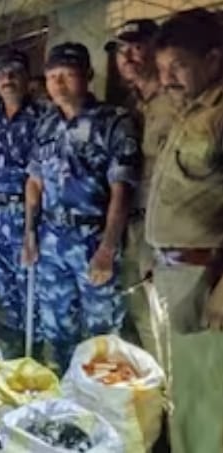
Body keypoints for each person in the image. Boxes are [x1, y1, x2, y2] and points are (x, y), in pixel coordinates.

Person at [22, 43, 140, 369]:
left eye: (67, 75)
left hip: (94, 241)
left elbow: (122, 190)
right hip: (50, 239)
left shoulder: (113, 122)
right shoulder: (46, 124)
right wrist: (30, 234)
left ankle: (97, 399)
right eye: (52, 76)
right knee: (56, 324)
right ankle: (60, 391)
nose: (58, 84)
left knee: (102, 330)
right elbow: (34, 182)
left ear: (87, 76)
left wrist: (107, 248)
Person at [146, 9, 223, 453]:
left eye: (179, 66)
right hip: (172, 275)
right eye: (163, 69)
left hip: (203, 279)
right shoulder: (187, 111)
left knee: (203, 403)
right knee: (177, 391)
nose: (169, 78)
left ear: (213, 60)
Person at [107, 18, 176, 357]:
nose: (128, 56)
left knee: (163, 317)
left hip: (165, 231)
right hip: (132, 227)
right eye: (122, 50)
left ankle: (172, 400)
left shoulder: (177, 104)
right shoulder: (132, 105)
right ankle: (153, 391)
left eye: (136, 46)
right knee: (137, 308)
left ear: (156, 49)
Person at [0, 50, 46, 355]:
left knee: (30, 282)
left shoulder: (42, 117)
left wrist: (31, 229)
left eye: (14, 73)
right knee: (3, 282)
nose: (7, 79)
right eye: (2, 74)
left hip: (24, 212)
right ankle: (19, 342)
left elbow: (39, 177)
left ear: (27, 78)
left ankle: (38, 347)